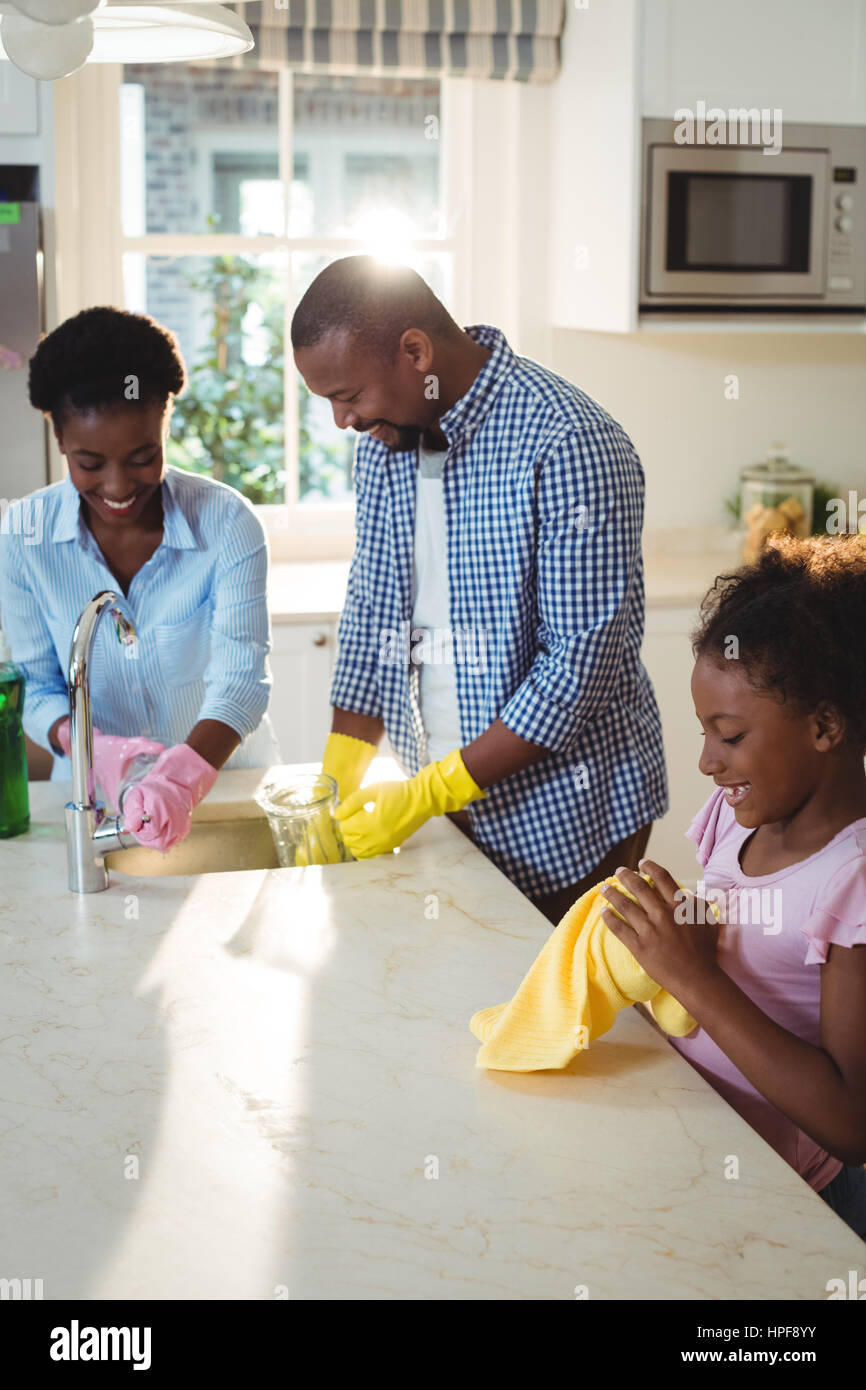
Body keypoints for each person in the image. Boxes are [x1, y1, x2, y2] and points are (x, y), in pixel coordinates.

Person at [291, 255, 668, 923]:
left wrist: (433, 792)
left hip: (565, 822)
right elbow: (373, 609)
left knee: (550, 1018)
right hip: (447, 812)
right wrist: (336, 780)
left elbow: (577, 670)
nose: (341, 421)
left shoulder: (569, 443)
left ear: (415, 351)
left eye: (346, 396)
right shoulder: (386, 444)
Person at [599, 533, 866, 1242]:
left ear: (825, 726)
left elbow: (851, 1124)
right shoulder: (737, 816)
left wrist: (690, 978)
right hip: (700, 1134)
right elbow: (738, 927)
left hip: (792, 1196)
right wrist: (664, 921)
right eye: (704, 732)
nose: (707, 761)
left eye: (730, 735)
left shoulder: (852, 881)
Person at [0, 306, 280, 852]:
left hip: (227, 793)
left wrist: (181, 777)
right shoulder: (23, 535)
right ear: (59, 439)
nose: (118, 485)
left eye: (142, 457)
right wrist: (92, 749)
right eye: (89, 462)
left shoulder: (228, 523)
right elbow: (36, 685)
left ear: (166, 426)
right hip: (94, 804)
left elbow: (241, 681)